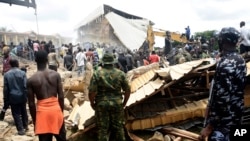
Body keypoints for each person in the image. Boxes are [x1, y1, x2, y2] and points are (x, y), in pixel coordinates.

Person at [199, 27, 247, 141]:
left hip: (223, 122)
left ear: (222, 41)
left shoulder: (225, 64)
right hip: (237, 116)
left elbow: (222, 99)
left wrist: (209, 126)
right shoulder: (240, 60)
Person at [88, 53, 131, 141]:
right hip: (117, 104)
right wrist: (124, 103)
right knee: (119, 128)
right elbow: (128, 90)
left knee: (102, 129)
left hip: (101, 104)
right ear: (113, 62)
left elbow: (92, 91)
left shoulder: (97, 74)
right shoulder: (121, 74)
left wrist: (92, 103)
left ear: (103, 62)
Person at [27, 50, 66, 141]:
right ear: (47, 60)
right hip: (55, 110)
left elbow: (31, 104)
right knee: (62, 138)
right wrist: (61, 112)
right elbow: (61, 96)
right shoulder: (56, 75)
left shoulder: (31, 80)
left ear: (35, 60)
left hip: (42, 113)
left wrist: (35, 120)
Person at [3, 59, 28, 135]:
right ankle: (25, 125)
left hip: (12, 96)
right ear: (17, 64)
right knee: (24, 111)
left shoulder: (7, 74)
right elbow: (25, 85)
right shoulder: (22, 73)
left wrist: (6, 99)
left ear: (10, 64)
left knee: (16, 113)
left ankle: (20, 129)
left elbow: (6, 89)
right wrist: (26, 96)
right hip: (22, 95)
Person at [0, 49, 12, 120]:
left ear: (8, 52)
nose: (4, 53)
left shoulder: (10, 58)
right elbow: (4, 65)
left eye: (5, 52)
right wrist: (3, 70)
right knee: (6, 87)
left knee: (8, 88)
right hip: (5, 74)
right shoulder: (4, 58)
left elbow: (10, 66)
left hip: (9, 74)